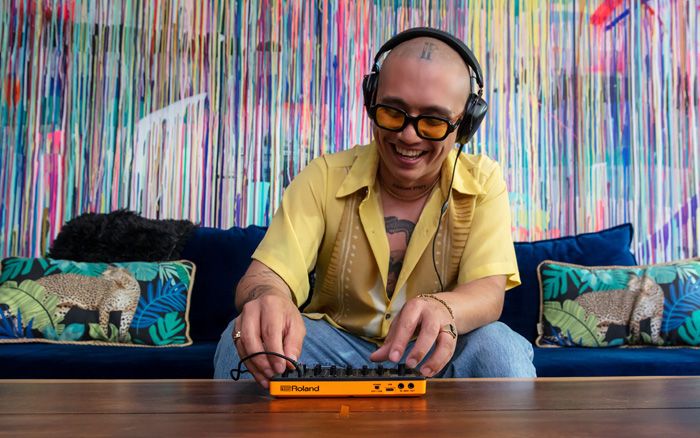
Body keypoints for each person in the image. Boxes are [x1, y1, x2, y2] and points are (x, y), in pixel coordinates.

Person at [214, 27, 535, 387]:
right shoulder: (324, 176)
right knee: (242, 338)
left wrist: (445, 308)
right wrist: (268, 297)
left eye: (433, 121)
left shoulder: (484, 181)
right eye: (393, 112)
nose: (408, 135)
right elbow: (264, 275)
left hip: (435, 351)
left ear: (465, 125)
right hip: (332, 348)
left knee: (500, 349)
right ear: (371, 101)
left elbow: (487, 293)